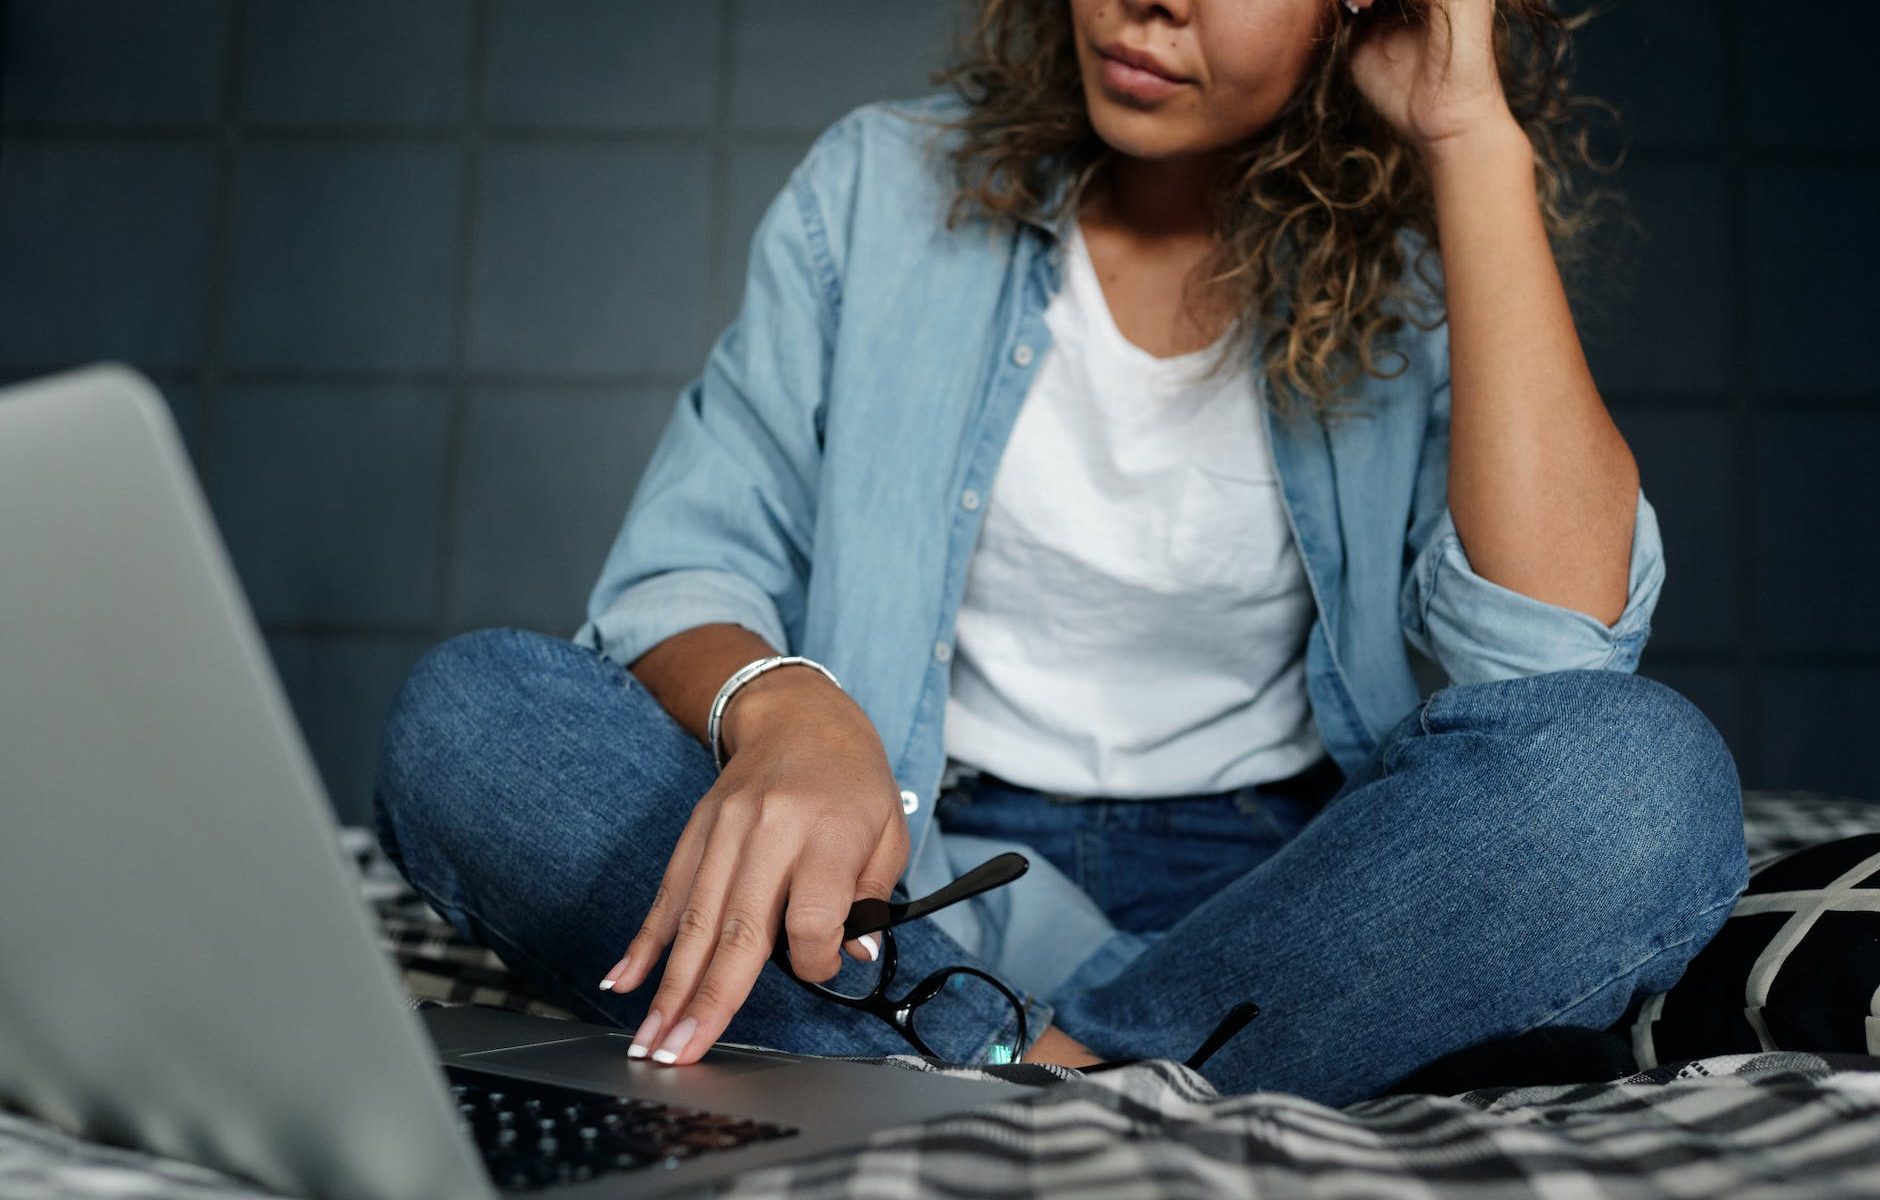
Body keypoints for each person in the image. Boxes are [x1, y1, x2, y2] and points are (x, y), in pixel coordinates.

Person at [374, 0, 1749, 1108]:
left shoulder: (1421, 262)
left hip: (1285, 907)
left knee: (1643, 783)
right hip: (904, 881)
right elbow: (679, 573)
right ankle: (1123, 1077)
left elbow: (1558, 660)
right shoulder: (877, 188)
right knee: (474, 719)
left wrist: (1470, 144)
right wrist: (789, 712)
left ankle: (982, 1070)